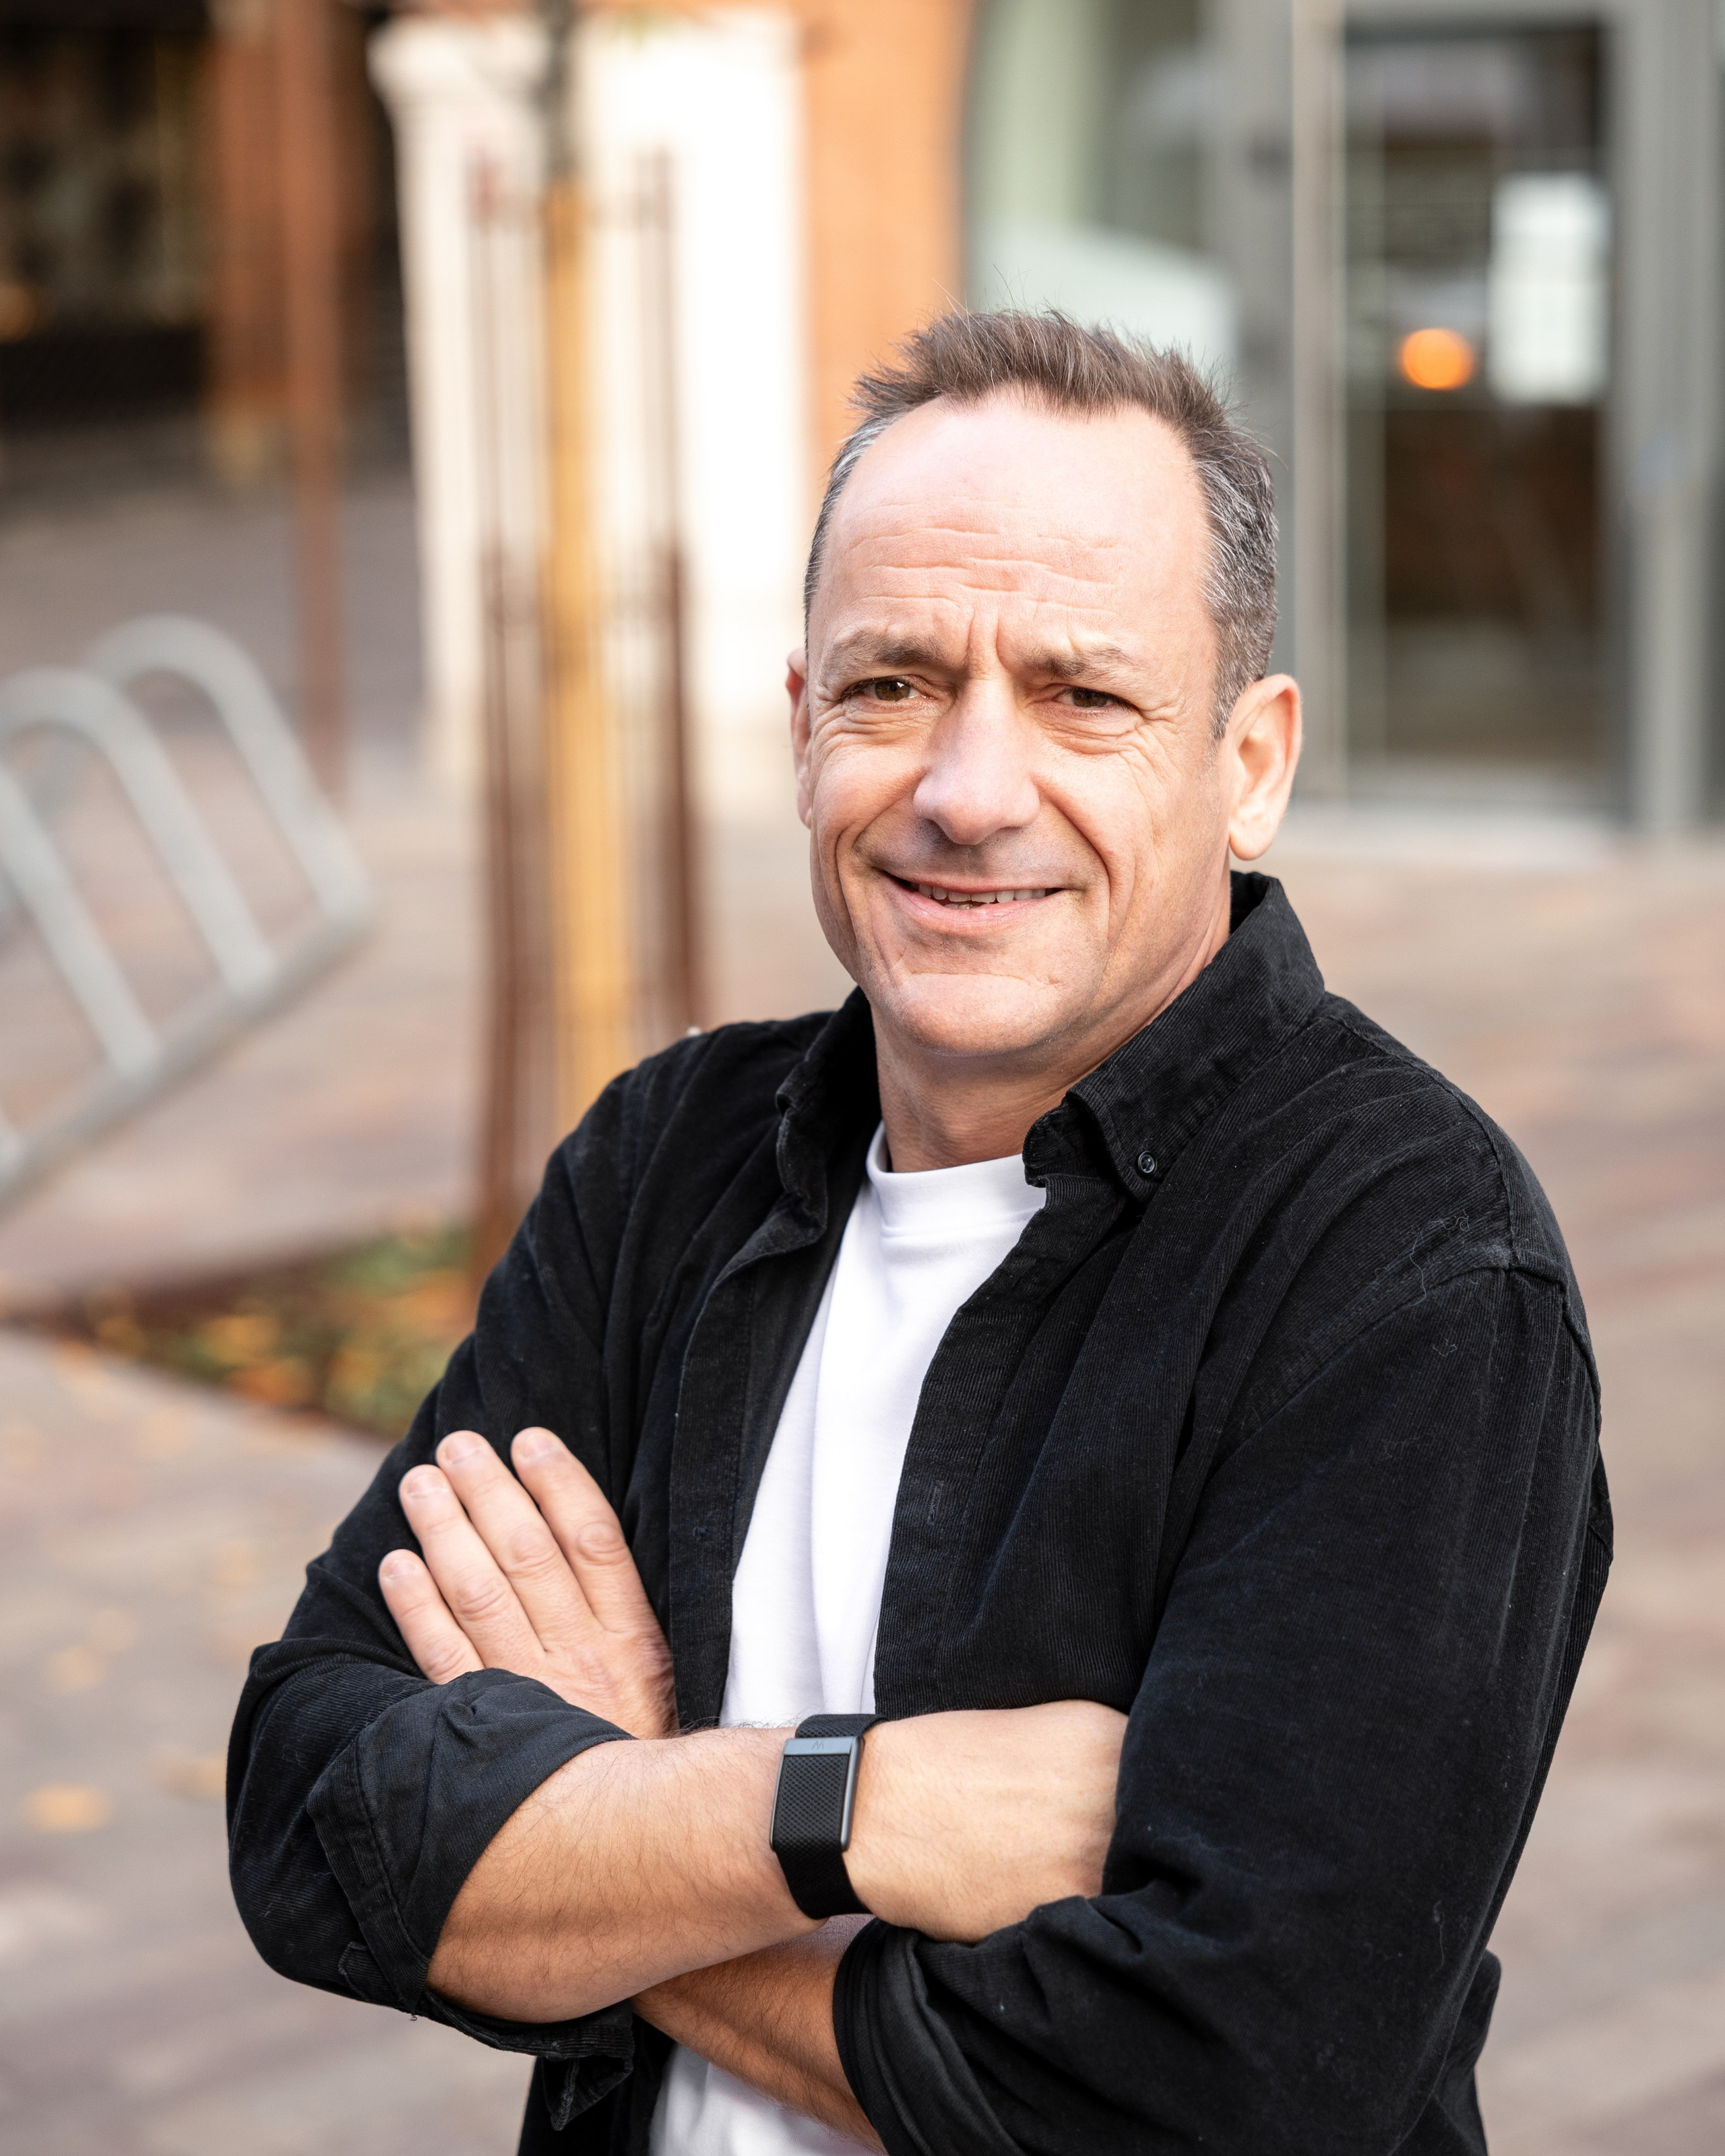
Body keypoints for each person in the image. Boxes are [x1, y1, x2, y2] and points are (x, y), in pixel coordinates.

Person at [228, 311, 1609, 2156]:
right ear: (802, 727)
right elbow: (310, 1815)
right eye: (891, 686)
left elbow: (1219, 2094)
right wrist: (838, 1809)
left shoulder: (1407, 1269)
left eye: (1081, 694)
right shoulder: (672, 1159)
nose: (966, 792)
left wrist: (618, 1821)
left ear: (1251, 761)